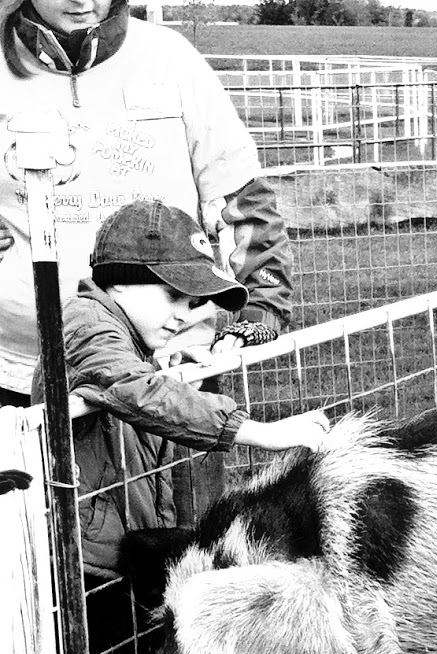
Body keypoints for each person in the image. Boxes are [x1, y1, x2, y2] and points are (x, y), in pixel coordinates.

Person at [0, 0, 293, 407]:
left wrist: (261, 310)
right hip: (16, 369)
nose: (82, 0)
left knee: (159, 473)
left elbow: (241, 196)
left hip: (173, 366)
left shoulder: (170, 59)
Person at [41, 198, 327, 587]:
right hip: (81, 565)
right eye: (173, 295)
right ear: (121, 279)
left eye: (192, 303)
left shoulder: (120, 336)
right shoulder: (83, 322)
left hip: (110, 548)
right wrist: (259, 432)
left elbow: (124, 379)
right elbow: (132, 388)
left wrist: (164, 365)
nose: (184, 315)